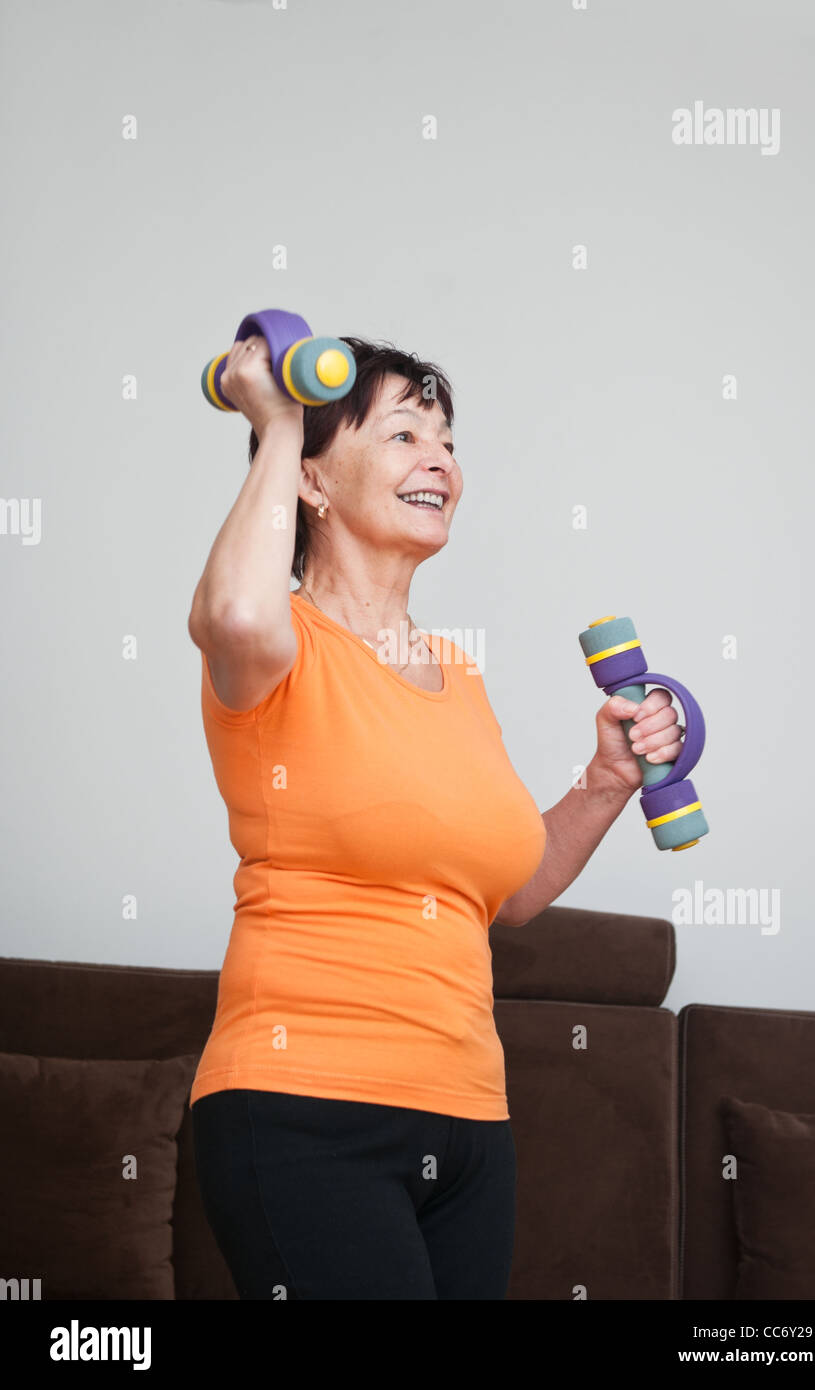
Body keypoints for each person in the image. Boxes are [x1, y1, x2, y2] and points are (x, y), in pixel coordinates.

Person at [187, 331, 683, 1300]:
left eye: (446, 439)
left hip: (465, 1121)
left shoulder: (457, 676)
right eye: (403, 432)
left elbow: (511, 889)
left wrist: (605, 779)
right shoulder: (280, 644)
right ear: (313, 484)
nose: (439, 460)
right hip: (303, 1105)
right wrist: (277, 421)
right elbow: (233, 616)